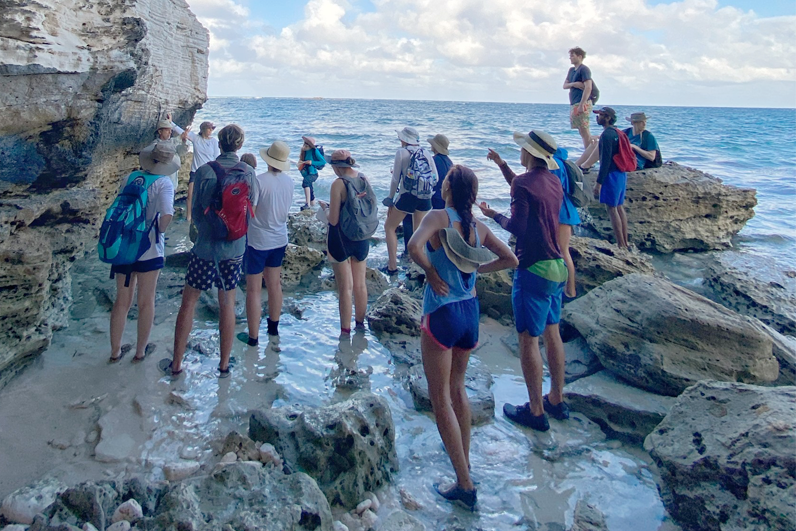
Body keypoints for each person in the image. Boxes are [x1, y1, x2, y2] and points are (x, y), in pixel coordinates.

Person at [408, 165, 517, 509]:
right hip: (470, 313)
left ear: (450, 190)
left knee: (439, 397)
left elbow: (413, 246)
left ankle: (464, 485)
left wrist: (430, 271)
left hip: (442, 313)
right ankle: (463, 464)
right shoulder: (479, 227)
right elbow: (511, 259)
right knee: (458, 390)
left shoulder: (438, 218)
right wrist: (476, 268)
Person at [480, 130, 570, 432]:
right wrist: (502, 165)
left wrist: (494, 216)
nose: (520, 152)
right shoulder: (553, 182)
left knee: (528, 340)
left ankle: (535, 410)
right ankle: (557, 398)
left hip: (532, 267)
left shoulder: (523, 184)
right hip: (558, 266)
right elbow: (524, 190)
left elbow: (517, 225)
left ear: (530, 154)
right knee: (552, 334)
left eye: (522, 149)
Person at [160, 124, 256, 379]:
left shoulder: (204, 171)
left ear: (219, 143)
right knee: (227, 303)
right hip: (235, 248)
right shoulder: (248, 172)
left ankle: (177, 363)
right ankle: (224, 366)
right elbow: (251, 208)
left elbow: (199, 208)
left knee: (189, 301)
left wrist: (203, 231)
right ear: (239, 145)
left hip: (204, 248)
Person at [108, 141, 177, 363]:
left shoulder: (131, 178)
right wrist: (159, 232)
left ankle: (115, 351)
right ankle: (139, 352)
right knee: (146, 301)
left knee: (122, 301)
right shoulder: (164, 183)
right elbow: (167, 214)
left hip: (124, 247)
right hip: (149, 249)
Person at [239, 141, 293, 346]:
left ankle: (253, 337)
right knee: (274, 284)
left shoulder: (259, 181)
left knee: (253, 289)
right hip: (280, 238)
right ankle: (273, 328)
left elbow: (250, 210)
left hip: (257, 240)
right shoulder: (289, 182)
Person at [317, 150, 370, 335]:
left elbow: (333, 220)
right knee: (360, 285)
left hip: (340, 238)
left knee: (345, 288)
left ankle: (345, 331)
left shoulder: (338, 184)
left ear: (336, 166)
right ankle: (360, 325)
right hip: (362, 237)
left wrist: (325, 209)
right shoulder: (363, 178)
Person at [383, 127, 439, 274]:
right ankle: (416, 268)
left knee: (389, 227)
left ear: (404, 139)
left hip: (407, 196)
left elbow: (395, 179)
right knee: (418, 232)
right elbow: (436, 177)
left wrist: (390, 199)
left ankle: (392, 266)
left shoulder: (401, 152)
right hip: (425, 197)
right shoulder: (426, 152)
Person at [401, 134, 453, 250]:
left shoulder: (433, 161)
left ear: (435, 147)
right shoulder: (450, 163)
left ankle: (409, 251)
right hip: (445, 202)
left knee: (409, 216)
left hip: (433, 201)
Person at [170, 119, 220, 223]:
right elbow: (181, 131)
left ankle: (206, 217)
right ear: (203, 130)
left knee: (207, 196)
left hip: (208, 172)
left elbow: (216, 158)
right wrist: (171, 122)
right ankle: (188, 217)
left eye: (212, 129)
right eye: (209, 128)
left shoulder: (214, 142)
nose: (211, 130)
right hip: (195, 171)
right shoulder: (196, 138)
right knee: (190, 195)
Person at [593, 107, 629, 249]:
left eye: (600, 115)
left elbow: (605, 161)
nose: (597, 118)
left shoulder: (607, 135)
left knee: (612, 209)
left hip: (611, 175)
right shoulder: (617, 132)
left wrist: (598, 183)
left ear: (607, 118)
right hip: (621, 173)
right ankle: (624, 242)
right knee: (619, 207)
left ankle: (621, 244)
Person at [550, 147, 581, 300]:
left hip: (561, 211)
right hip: (567, 209)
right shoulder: (561, 161)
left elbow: (553, 189)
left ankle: (570, 291)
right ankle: (569, 290)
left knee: (562, 251)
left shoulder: (554, 163)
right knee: (563, 250)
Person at [563, 47, 596, 149]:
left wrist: (582, 104)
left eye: (572, 56)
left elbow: (588, 87)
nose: (570, 58)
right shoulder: (571, 70)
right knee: (581, 131)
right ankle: (590, 149)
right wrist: (574, 84)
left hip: (582, 103)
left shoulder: (584, 69)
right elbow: (565, 85)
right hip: (574, 102)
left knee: (585, 130)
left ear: (579, 56)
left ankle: (589, 153)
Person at [298, 136, 325, 210]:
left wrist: (311, 162)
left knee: (306, 182)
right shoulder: (304, 151)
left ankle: (307, 204)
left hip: (313, 173)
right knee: (310, 189)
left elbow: (323, 161)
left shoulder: (314, 151)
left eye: (307, 145)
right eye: (304, 144)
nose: (305, 146)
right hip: (306, 172)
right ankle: (313, 205)